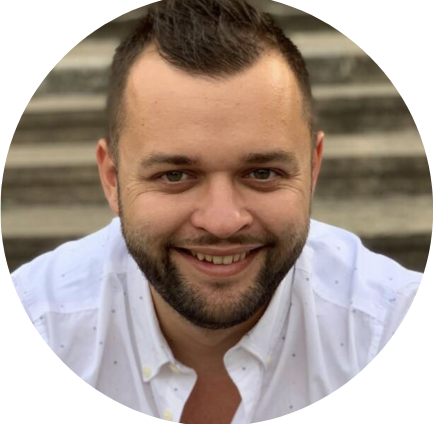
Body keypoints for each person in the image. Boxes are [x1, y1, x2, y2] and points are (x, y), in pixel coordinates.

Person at [12, 0, 421, 423]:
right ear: (113, 179)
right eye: (174, 176)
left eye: (262, 173)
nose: (223, 222)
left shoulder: (394, 331)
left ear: (313, 168)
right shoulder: (35, 329)